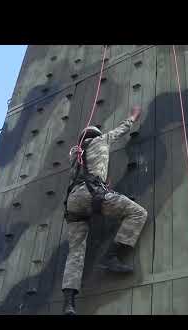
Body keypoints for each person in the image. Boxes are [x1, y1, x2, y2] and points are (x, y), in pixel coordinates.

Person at [61, 106, 148, 315]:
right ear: (96, 135)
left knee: (76, 252)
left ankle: (69, 303)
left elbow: (81, 176)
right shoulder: (101, 140)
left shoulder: (75, 155)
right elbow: (121, 130)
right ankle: (112, 256)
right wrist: (133, 117)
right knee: (138, 213)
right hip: (93, 195)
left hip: (73, 203)